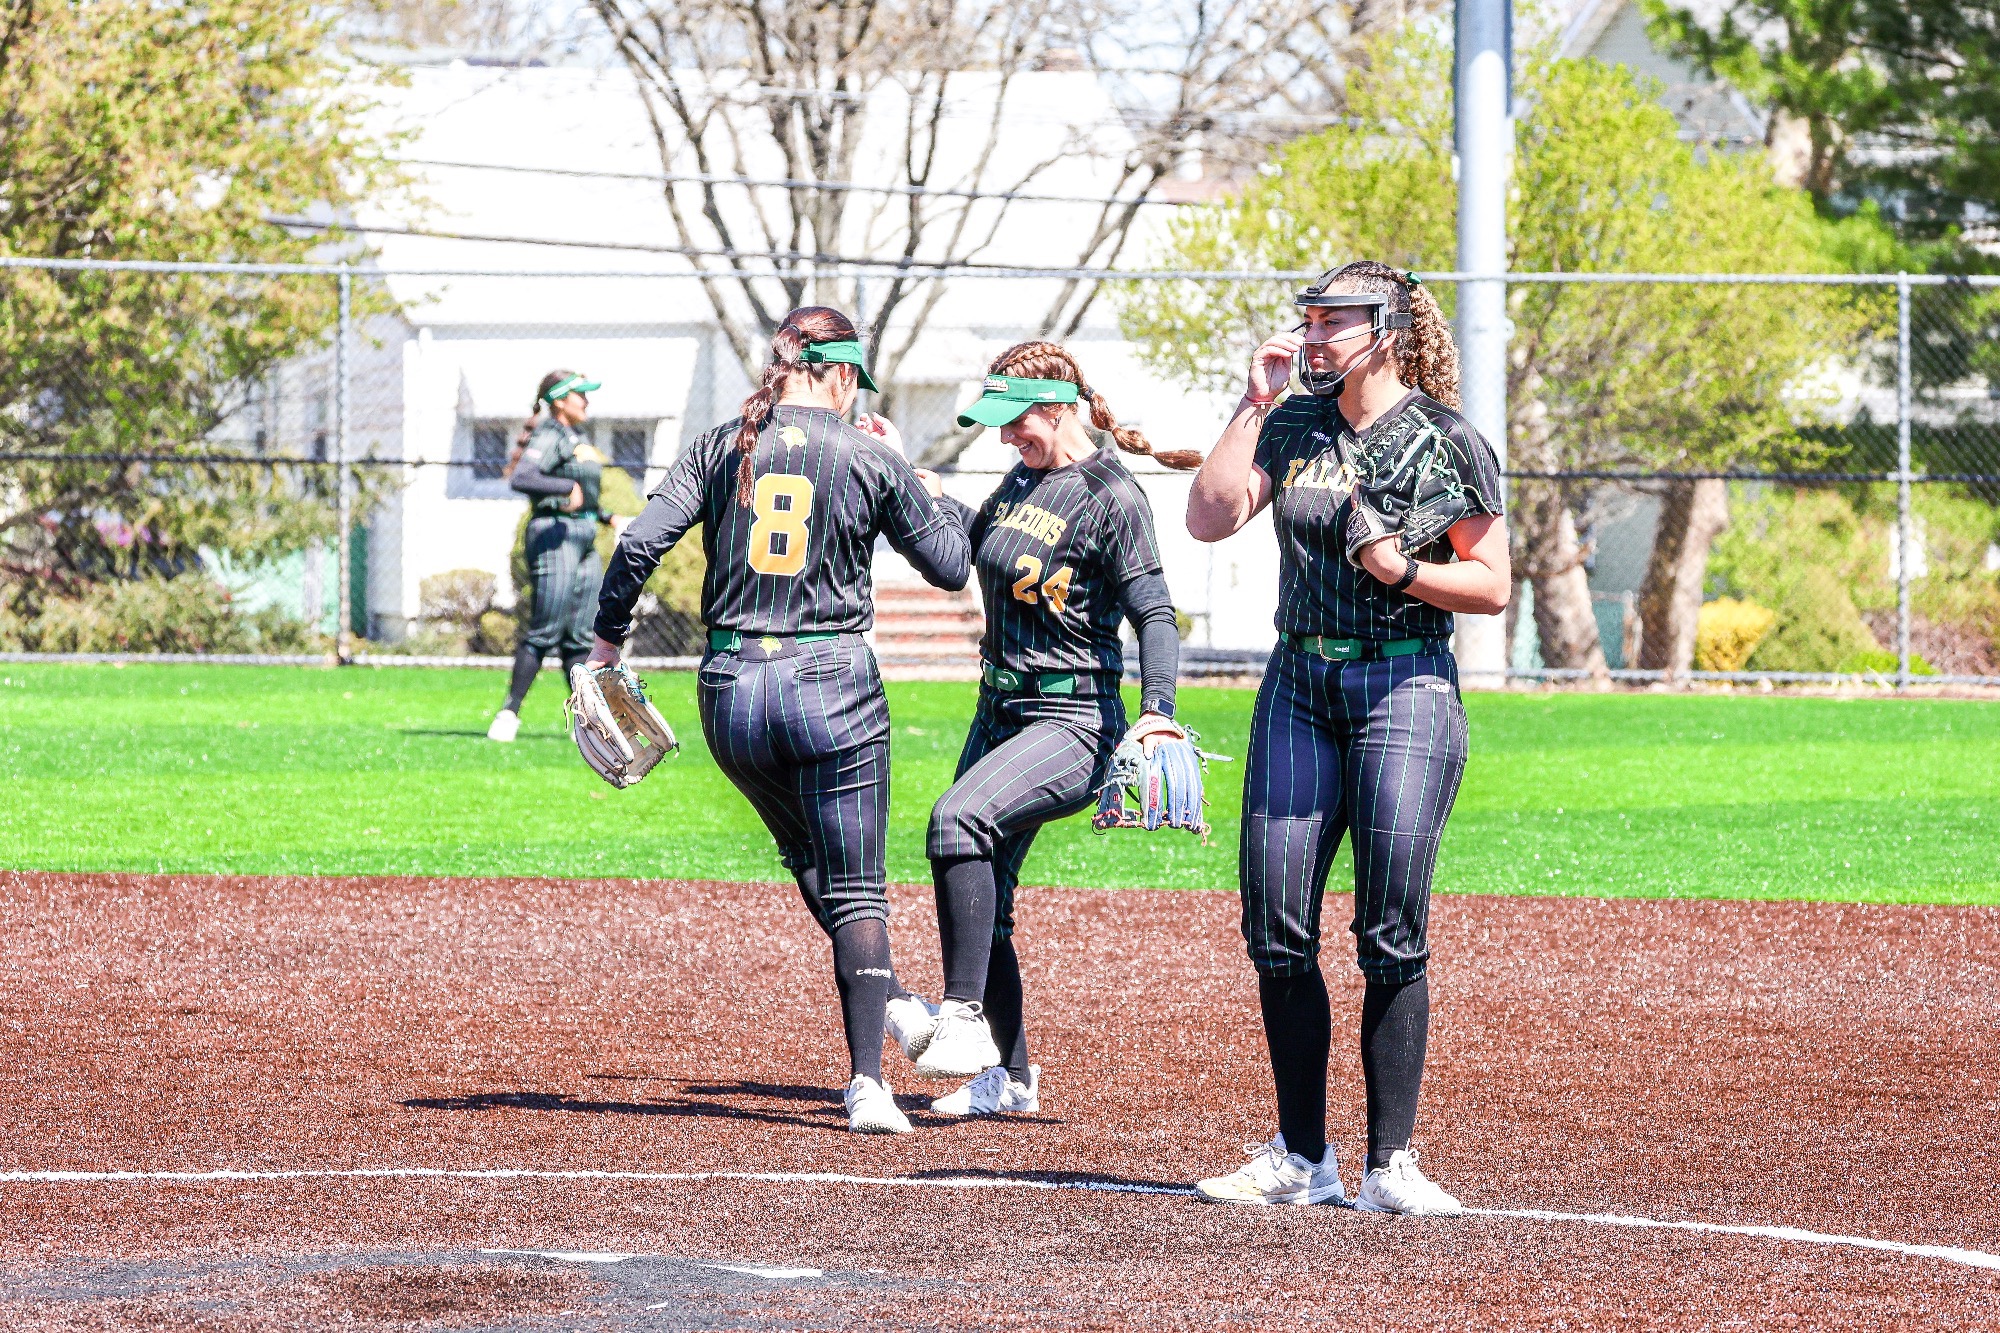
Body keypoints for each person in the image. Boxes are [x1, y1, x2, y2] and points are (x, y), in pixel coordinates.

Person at [587, 306, 971, 1135]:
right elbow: (948, 566)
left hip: (730, 686)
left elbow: (638, 544)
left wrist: (605, 645)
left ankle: (899, 1002)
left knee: (805, 852)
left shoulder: (722, 443)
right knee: (860, 884)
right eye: (850, 379)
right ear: (836, 373)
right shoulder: (866, 450)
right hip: (831, 680)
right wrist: (906, 470)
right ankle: (868, 1081)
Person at [1184, 261, 1510, 1212]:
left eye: (1335, 321)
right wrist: (1252, 403)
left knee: (1389, 927)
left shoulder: (1445, 439)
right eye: (1310, 319)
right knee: (1276, 922)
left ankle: (1390, 1163)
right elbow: (1209, 516)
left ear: (1389, 327)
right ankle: (1300, 1155)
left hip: (1403, 680)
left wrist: (1401, 568)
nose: (1315, 336)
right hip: (1298, 681)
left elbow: (1490, 584)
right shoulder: (1292, 422)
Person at [883, 342, 1199, 1118]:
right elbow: (987, 542)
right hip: (1000, 708)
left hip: (1075, 716)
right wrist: (910, 480)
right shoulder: (1026, 476)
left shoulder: (1110, 496)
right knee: (981, 887)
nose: (1003, 438)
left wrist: (1158, 710)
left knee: (957, 821)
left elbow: (1154, 611)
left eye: (1014, 420)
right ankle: (1009, 1079)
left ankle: (961, 1016)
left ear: (1057, 408)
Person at [488, 370, 608, 743]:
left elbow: (583, 492)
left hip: (584, 535)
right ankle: (508, 715)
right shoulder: (550, 433)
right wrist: (563, 485)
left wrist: (607, 515)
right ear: (559, 400)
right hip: (555, 533)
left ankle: (585, 722)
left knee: (580, 636)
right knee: (546, 629)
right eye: (580, 395)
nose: (586, 401)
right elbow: (522, 477)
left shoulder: (576, 435)